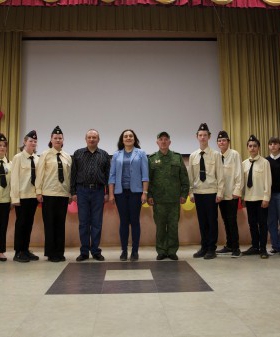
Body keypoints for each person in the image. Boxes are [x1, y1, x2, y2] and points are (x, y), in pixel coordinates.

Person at [148, 131, 189, 261]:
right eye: (161, 139)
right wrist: (149, 195)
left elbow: (184, 177)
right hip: (158, 200)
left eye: (166, 139)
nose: (164, 141)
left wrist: (184, 194)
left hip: (174, 199)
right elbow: (148, 179)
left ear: (169, 142)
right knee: (160, 227)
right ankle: (161, 250)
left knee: (173, 226)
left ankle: (172, 251)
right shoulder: (152, 159)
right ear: (157, 142)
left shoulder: (177, 158)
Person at [108, 129, 149, 261]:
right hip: (120, 193)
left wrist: (145, 193)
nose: (128, 138)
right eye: (125, 136)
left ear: (134, 139)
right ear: (122, 139)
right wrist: (111, 194)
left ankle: (135, 251)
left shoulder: (141, 153)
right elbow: (112, 175)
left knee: (135, 221)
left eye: (131, 136)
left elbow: (145, 175)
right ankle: (124, 251)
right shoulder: (116, 155)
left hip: (136, 193)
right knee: (124, 222)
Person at [71, 129, 110, 262]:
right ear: (85, 139)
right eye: (89, 137)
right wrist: (73, 192)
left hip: (99, 192)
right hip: (82, 191)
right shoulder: (78, 153)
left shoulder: (104, 155)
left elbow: (108, 175)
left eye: (94, 137)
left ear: (98, 139)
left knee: (97, 223)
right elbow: (73, 175)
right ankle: (84, 252)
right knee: (83, 223)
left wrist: (107, 193)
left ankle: (95, 251)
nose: (92, 139)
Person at [35, 126, 72, 262]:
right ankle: (51, 253)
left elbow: (68, 177)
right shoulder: (44, 155)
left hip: (62, 195)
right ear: (51, 139)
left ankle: (59, 252)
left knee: (60, 224)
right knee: (49, 224)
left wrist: (69, 193)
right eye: (55, 138)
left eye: (60, 138)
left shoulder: (67, 157)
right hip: (48, 194)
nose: (57, 140)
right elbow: (39, 174)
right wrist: (38, 192)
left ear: (63, 140)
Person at [189, 123, 224, 260]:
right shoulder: (193, 156)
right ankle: (203, 247)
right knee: (202, 221)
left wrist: (220, 192)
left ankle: (211, 248)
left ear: (209, 137)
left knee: (212, 221)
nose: (202, 137)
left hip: (211, 192)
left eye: (205, 135)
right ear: (197, 137)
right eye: (200, 135)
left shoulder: (215, 155)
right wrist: (191, 192)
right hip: (198, 192)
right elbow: (191, 176)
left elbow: (220, 175)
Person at [10, 130, 39, 263]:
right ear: (24, 142)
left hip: (33, 196)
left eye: (35, 141)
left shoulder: (38, 159)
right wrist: (15, 198)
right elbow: (14, 179)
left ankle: (25, 249)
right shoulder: (18, 158)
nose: (33, 143)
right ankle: (18, 252)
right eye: (30, 141)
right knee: (21, 224)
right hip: (21, 197)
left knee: (29, 223)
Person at [242, 135, 271, 259]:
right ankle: (255, 246)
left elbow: (268, 181)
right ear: (247, 148)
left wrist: (266, 198)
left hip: (261, 199)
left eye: (254, 146)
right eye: (250, 146)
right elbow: (243, 183)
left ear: (258, 147)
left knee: (263, 224)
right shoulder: (244, 163)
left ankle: (263, 248)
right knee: (252, 223)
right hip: (249, 199)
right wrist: (242, 198)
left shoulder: (265, 162)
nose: (252, 148)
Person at [216, 130, 244, 258]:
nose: (222, 142)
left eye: (224, 140)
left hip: (231, 194)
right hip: (221, 194)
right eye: (219, 141)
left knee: (232, 221)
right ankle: (229, 244)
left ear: (228, 142)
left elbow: (239, 173)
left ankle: (236, 247)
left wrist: (237, 191)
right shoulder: (217, 156)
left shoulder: (234, 154)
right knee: (225, 220)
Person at [266, 137, 280, 255]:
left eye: (275, 144)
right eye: (270, 144)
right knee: (271, 222)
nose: (273, 146)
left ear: (279, 146)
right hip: (269, 196)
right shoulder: (265, 161)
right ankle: (275, 246)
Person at [0, 133, 12, 262]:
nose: (2, 148)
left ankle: (1, 251)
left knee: (2, 227)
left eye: (4, 146)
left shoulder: (10, 164)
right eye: (0, 145)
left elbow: (13, 184)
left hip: (4, 201)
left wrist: (12, 200)